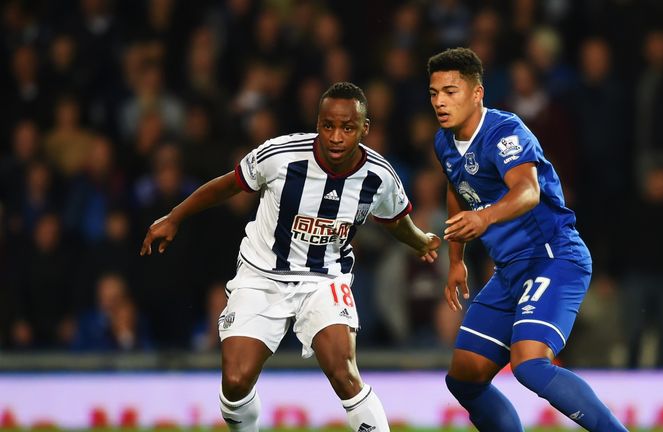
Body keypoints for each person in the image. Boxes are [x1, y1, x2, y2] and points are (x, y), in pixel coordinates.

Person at [140, 82, 440, 432]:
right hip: (262, 274)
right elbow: (229, 184)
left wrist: (420, 241)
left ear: (364, 128)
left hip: (324, 279)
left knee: (345, 372)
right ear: (318, 123)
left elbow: (395, 220)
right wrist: (175, 216)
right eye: (328, 126)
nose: (337, 137)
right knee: (235, 381)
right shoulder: (281, 155)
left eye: (347, 127)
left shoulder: (379, 176)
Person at [427, 47, 627, 431]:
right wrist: (456, 260)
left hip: (553, 256)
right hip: (510, 270)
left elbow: (527, 191)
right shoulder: (444, 142)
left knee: (530, 364)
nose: (440, 101)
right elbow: (457, 189)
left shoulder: (504, 131)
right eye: (434, 93)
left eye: (450, 91)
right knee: (464, 377)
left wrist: (484, 217)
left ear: (476, 93)